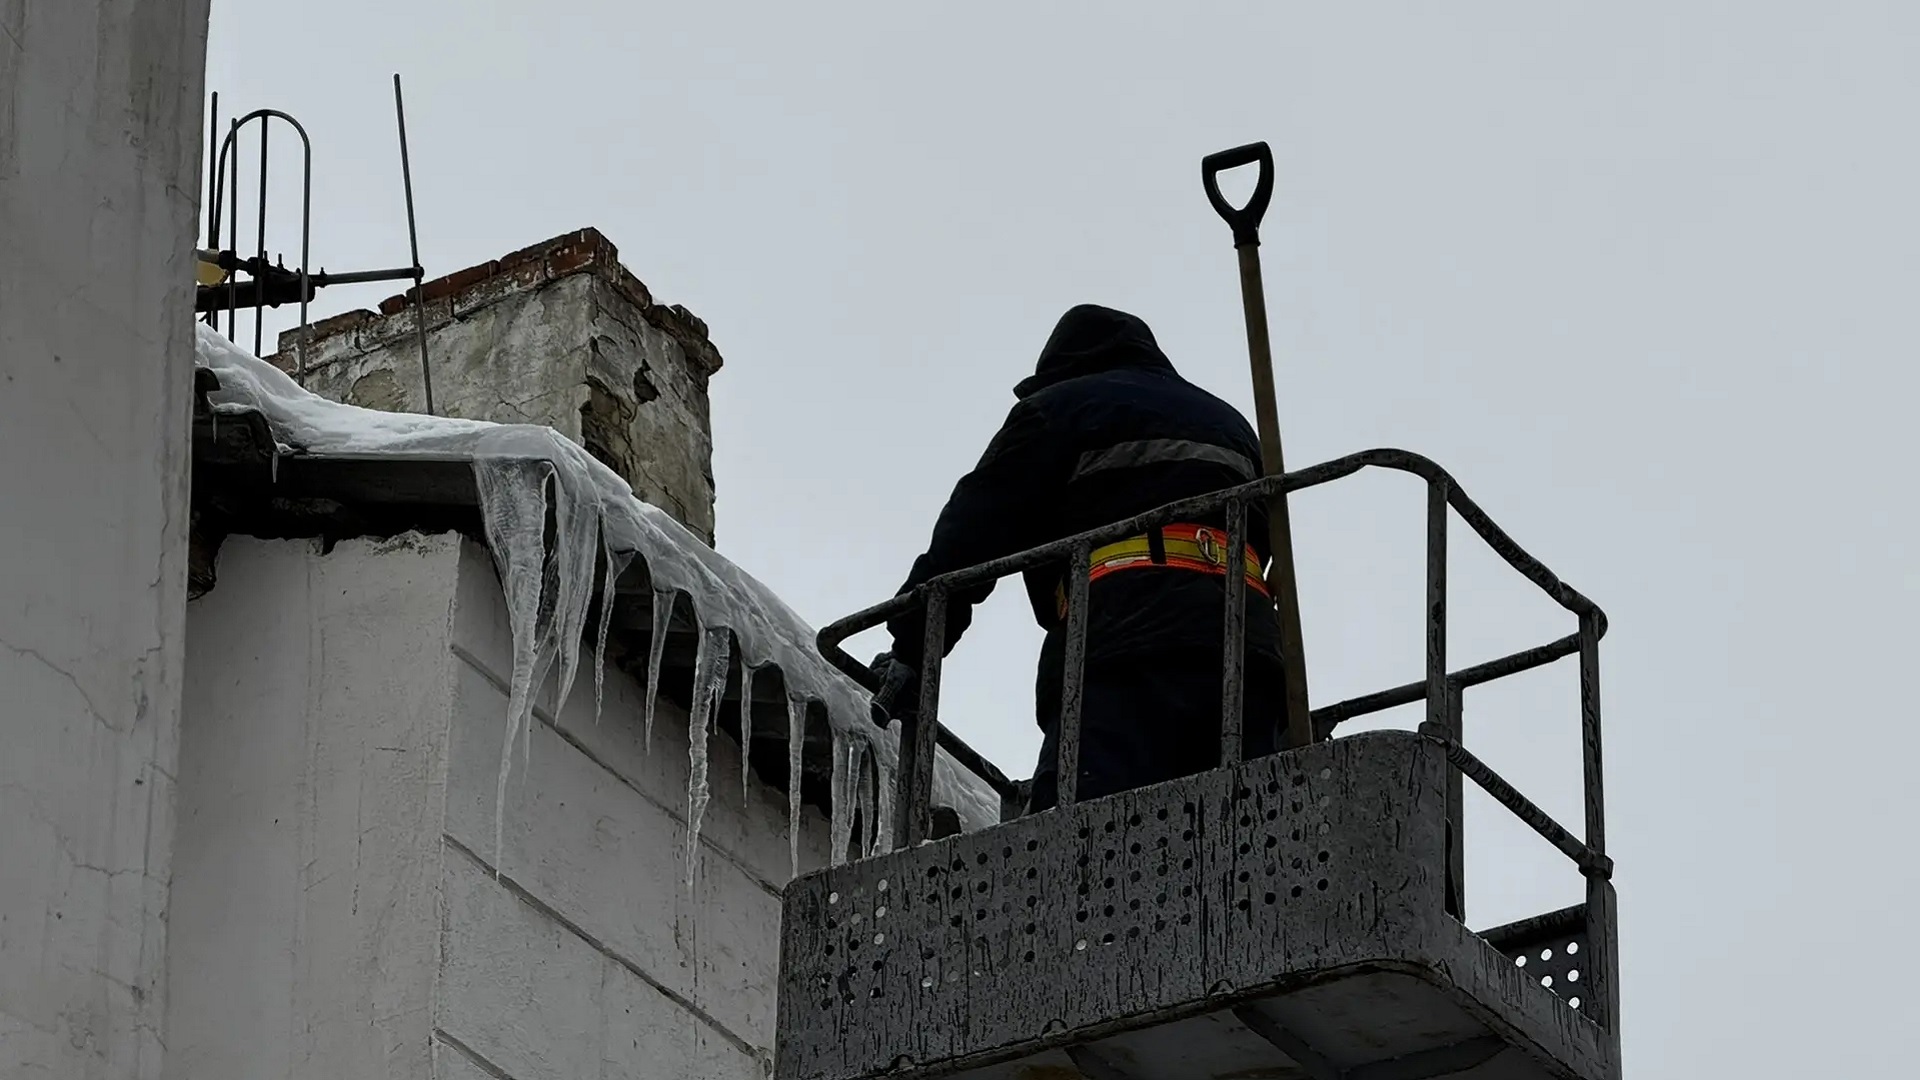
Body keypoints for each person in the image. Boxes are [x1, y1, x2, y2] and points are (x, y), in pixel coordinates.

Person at [872, 304, 1289, 814]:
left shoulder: (1061, 406)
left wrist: (912, 648)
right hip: (1248, 654)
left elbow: (972, 531)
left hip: (1123, 647)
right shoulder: (1231, 425)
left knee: (1088, 833)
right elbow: (1270, 539)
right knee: (1244, 825)